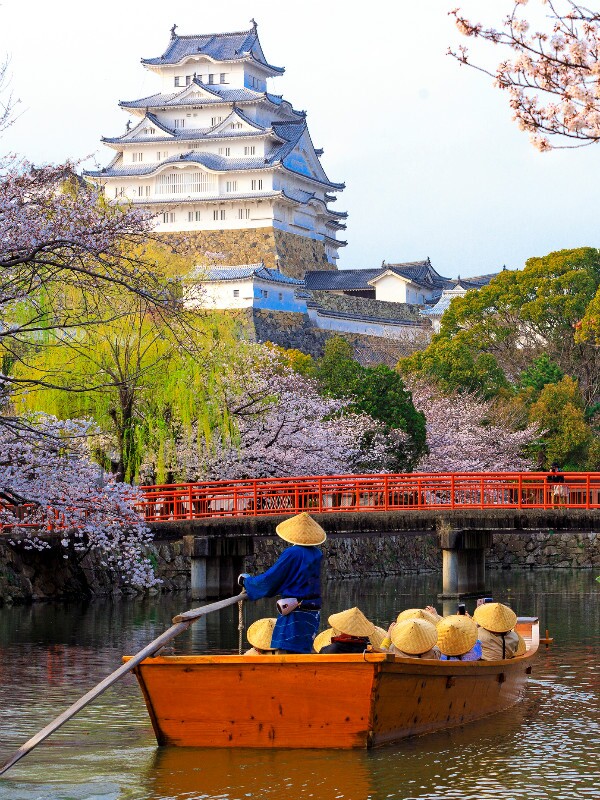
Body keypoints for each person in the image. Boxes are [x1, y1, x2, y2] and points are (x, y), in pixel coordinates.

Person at [238, 512, 325, 654]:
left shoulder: (293, 553)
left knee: (288, 652)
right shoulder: (317, 553)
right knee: (303, 651)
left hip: (295, 612)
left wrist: (247, 582)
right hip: (312, 613)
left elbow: (272, 579)